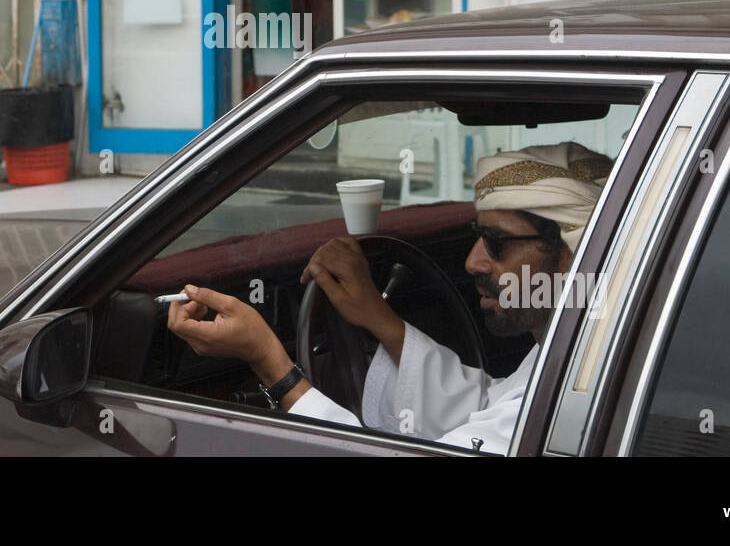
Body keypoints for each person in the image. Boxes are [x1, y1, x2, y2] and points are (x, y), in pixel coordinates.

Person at [166, 141, 613, 454]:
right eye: (477, 237)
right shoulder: (581, 343)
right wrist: (382, 322)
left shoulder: (581, 382)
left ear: (573, 253)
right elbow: (488, 406)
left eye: (497, 242)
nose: (473, 262)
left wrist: (271, 364)